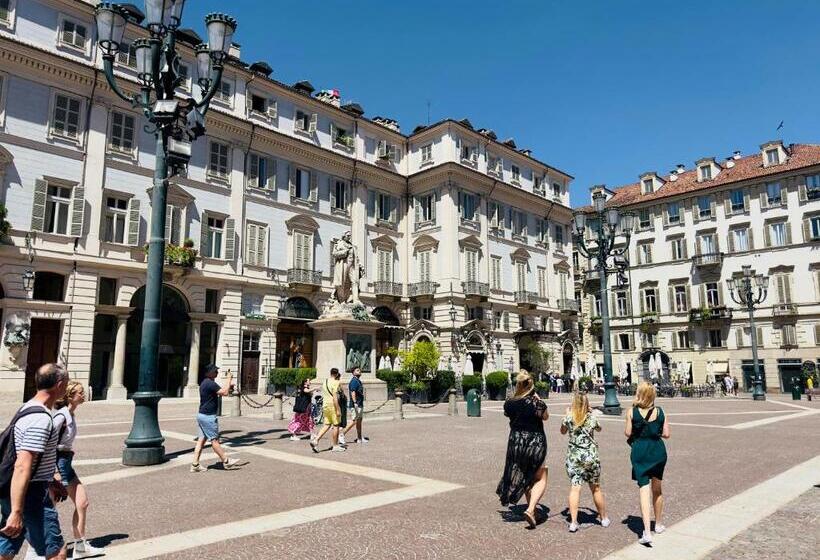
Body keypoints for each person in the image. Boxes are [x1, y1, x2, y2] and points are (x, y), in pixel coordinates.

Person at [0, 363, 69, 560]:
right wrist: (16, 510)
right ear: (59, 384)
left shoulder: (27, 408)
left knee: (7, 544)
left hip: (15, 488)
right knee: (56, 552)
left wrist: (52, 480)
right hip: (30, 494)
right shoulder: (40, 419)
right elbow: (23, 465)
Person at [35, 382, 102, 560]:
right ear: (71, 396)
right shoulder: (61, 416)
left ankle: (80, 546)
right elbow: (48, 443)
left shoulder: (70, 414)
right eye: (80, 393)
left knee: (82, 502)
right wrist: (54, 471)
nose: (83, 395)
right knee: (50, 507)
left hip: (65, 462)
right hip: (58, 463)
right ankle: (39, 550)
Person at [496, 371, 549, 529]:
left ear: (517, 385)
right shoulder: (536, 403)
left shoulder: (510, 403)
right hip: (535, 443)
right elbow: (545, 416)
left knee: (526, 476)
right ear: (531, 384)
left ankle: (532, 510)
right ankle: (532, 509)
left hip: (516, 444)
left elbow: (508, 413)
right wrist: (538, 400)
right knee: (541, 477)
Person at [625, 382, 670, 545]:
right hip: (658, 451)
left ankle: (646, 531)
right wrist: (654, 430)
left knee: (644, 489)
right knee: (657, 488)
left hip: (640, 451)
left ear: (639, 394)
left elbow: (627, 433)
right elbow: (666, 434)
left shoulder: (632, 411)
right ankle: (657, 524)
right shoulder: (660, 411)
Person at [560, 392, 610, 532]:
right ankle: (603, 518)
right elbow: (599, 429)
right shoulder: (591, 417)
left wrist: (567, 415)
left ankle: (574, 522)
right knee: (596, 488)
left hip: (574, 457)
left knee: (575, 488)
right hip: (590, 456)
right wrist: (591, 413)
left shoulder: (569, 417)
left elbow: (563, 431)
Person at [190, 365, 239, 472]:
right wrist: (229, 379)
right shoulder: (210, 383)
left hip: (201, 415)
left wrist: (228, 385)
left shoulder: (205, 383)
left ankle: (195, 464)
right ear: (208, 373)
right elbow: (224, 393)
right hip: (208, 417)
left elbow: (220, 391)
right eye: (215, 371)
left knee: (201, 440)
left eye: (217, 371)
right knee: (214, 440)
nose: (216, 372)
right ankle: (226, 461)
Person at [311, 369, 345, 453]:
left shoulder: (325, 381)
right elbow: (335, 398)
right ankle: (335, 445)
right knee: (336, 425)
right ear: (337, 374)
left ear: (330, 373)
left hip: (325, 405)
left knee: (327, 424)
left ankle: (316, 440)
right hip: (333, 405)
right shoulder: (336, 382)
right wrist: (338, 409)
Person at [342, 367, 368, 444]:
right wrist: (355, 402)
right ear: (353, 373)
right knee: (354, 421)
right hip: (355, 405)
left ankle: (359, 438)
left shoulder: (358, 381)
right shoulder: (354, 381)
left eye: (359, 370)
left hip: (359, 404)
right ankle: (341, 434)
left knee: (359, 421)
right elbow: (353, 392)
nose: (359, 371)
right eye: (357, 370)